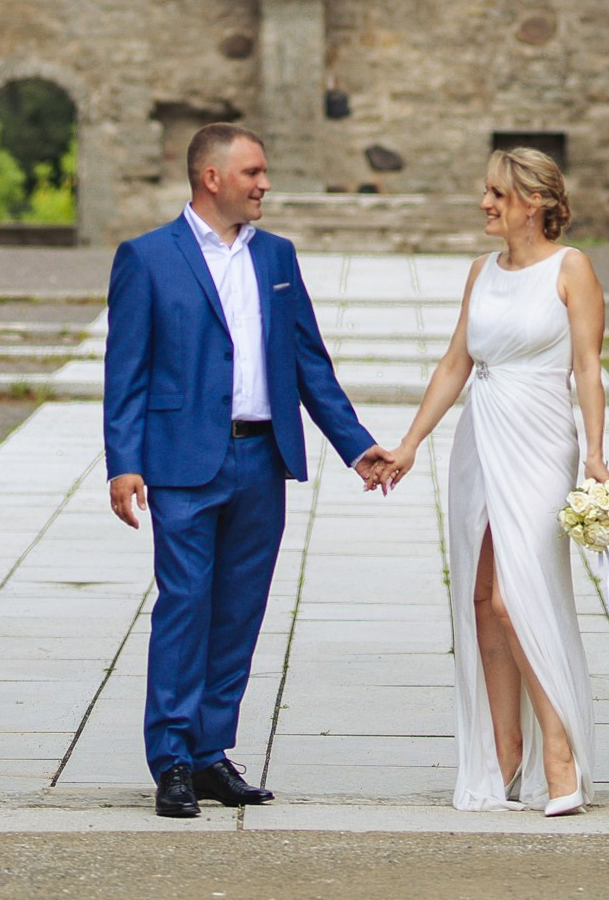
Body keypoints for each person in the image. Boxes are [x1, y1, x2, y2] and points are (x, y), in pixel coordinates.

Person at [104, 123, 398, 819]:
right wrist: (124, 463)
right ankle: (173, 759)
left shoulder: (277, 256)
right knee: (185, 606)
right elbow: (126, 370)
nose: (265, 184)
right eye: (253, 172)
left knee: (239, 610)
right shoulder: (147, 257)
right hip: (182, 461)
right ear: (212, 178)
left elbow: (309, 364)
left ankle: (210, 753)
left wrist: (357, 446)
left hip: (263, 458)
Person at [373, 147, 606, 814]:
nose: (485, 204)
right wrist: (410, 443)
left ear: (535, 202)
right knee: (481, 597)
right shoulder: (481, 271)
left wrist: (595, 454)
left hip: (541, 439)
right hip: (482, 435)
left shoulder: (571, 268)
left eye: (498, 194)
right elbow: (456, 362)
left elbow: (588, 366)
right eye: (487, 192)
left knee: (513, 596)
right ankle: (505, 754)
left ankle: (558, 752)